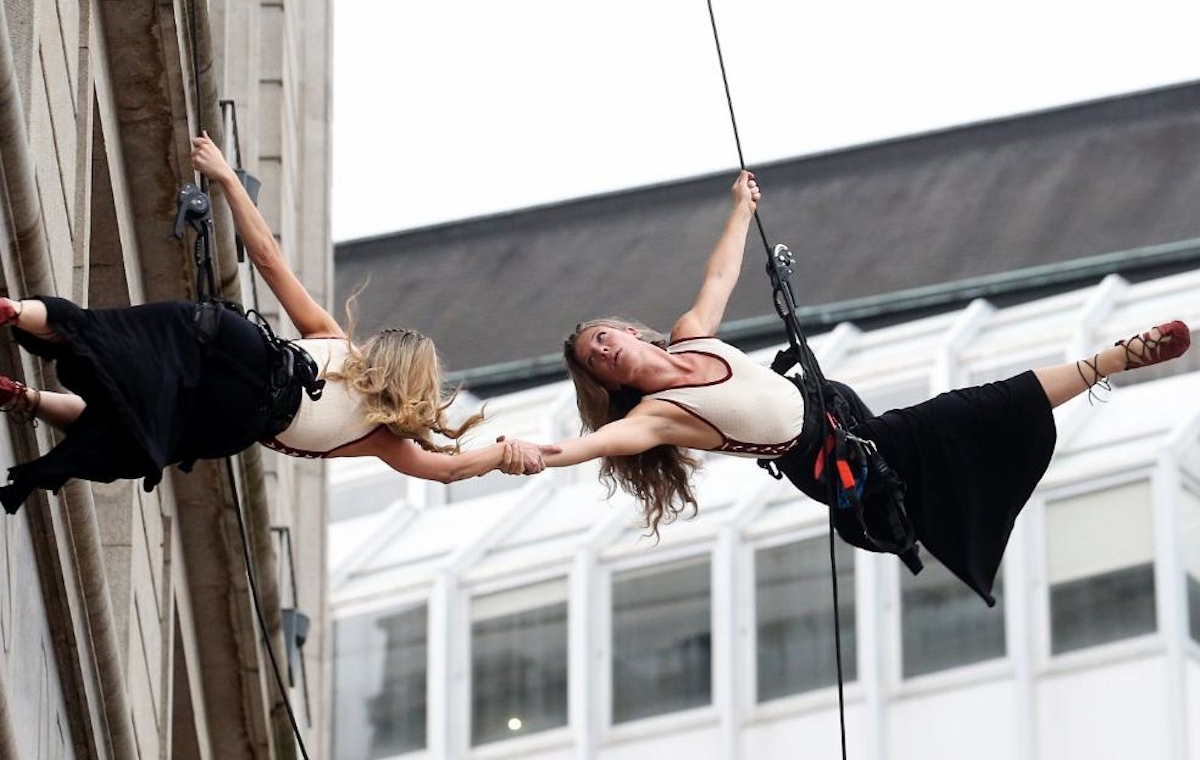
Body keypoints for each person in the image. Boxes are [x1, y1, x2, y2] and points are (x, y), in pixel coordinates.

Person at [540, 170, 1191, 604]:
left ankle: (1107, 363)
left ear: (629, 333)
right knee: (964, 412)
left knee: (959, 424)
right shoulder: (654, 418)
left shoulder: (691, 334)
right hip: (831, 461)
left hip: (843, 415)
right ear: (608, 381)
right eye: (595, 359)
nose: (604, 349)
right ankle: (1113, 359)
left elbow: (719, 277)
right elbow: (583, 449)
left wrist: (742, 209)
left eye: (604, 337)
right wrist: (481, 458)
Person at [0, 133, 544, 514]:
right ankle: (22, 398)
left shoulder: (333, 338)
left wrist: (225, 180)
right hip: (238, 414)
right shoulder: (383, 438)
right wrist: (502, 453)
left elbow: (267, 258)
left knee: (100, 334)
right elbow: (448, 472)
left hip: (227, 340)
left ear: (379, 352)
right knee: (139, 437)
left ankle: (18, 312)